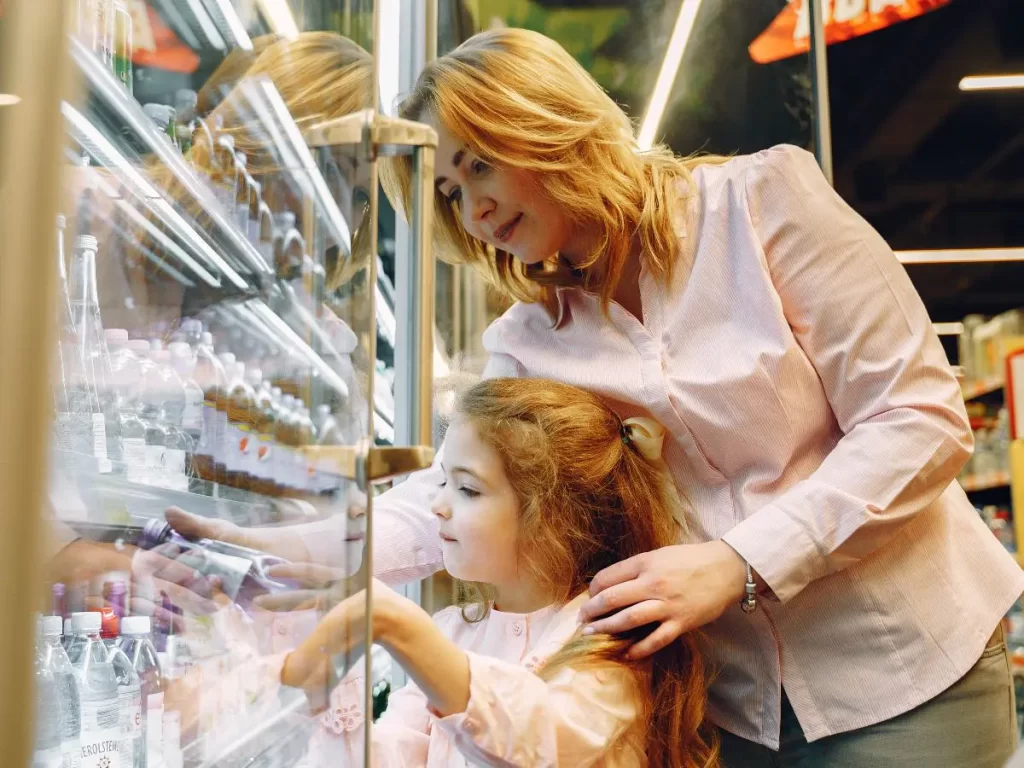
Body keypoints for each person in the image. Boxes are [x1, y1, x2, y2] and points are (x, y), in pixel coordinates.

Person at [173, 26, 1024, 766]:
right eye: (446, 191)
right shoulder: (526, 340)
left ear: (542, 125)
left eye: (478, 164)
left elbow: (918, 416)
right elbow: (447, 494)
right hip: (725, 705)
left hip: (905, 666)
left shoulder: (761, 204)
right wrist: (304, 550)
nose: (471, 207)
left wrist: (739, 563)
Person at [273, 377, 717, 767]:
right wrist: (330, 684)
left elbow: (543, 742)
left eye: (467, 489)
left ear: (553, 517)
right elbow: (394, 755)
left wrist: (400, 626)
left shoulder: (608, 635)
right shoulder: (452, 631)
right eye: (443, 482)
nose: (437, 506)